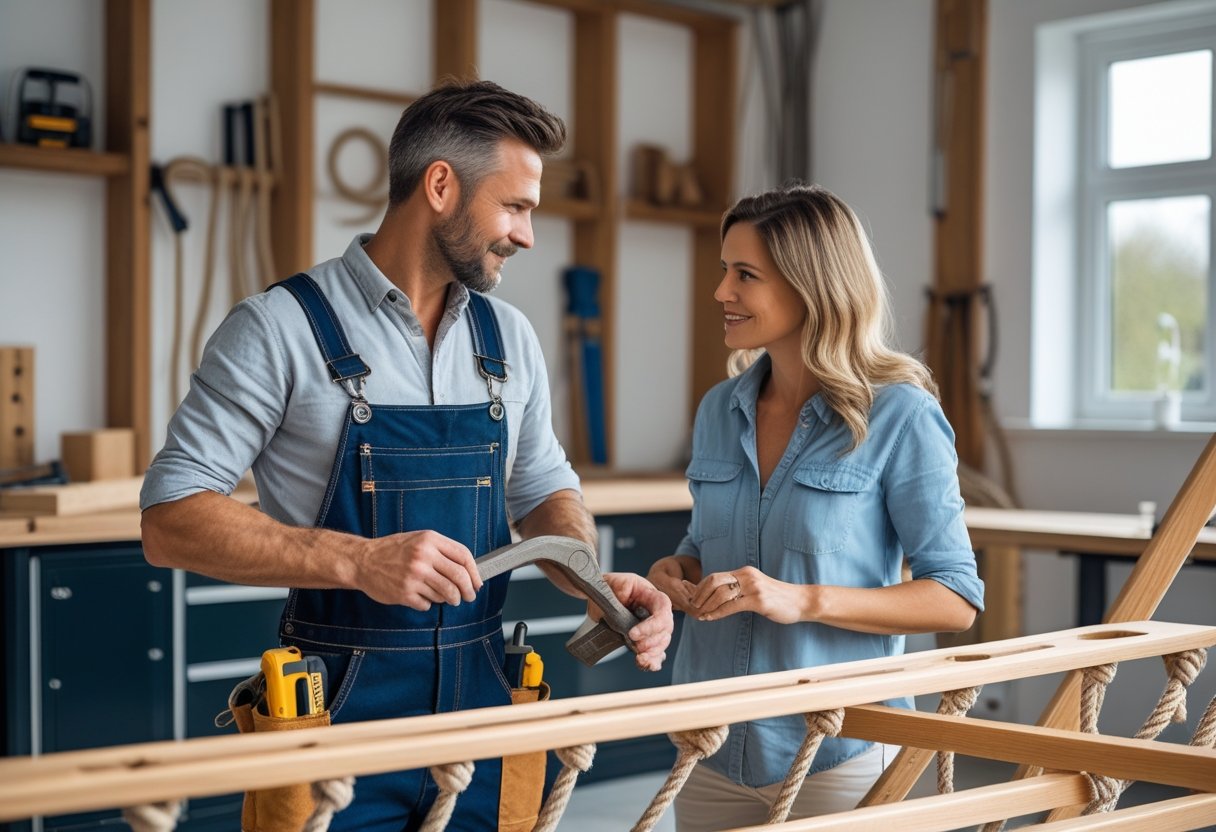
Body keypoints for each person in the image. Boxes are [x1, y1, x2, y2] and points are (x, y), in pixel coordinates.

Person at [140, 79, 673, 831]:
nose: (526, 235)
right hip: (334, 717)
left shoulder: (509, 337)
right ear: (441, 186)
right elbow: (170, 518)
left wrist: (591, 580)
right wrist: (360, 561)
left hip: (486, 710)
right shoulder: (278, 328)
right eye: (515, 207)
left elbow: (543, 490)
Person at [646, 183, 985, 831]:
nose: (721, 291)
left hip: (837, 757)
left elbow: (954, 598)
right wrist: (679, 570)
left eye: (745, 275)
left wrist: (801, 599)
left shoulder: (901, 415)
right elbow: (707, 543)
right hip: (708, 749)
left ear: (812, 287)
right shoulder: (719, 409)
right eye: (724, 270)